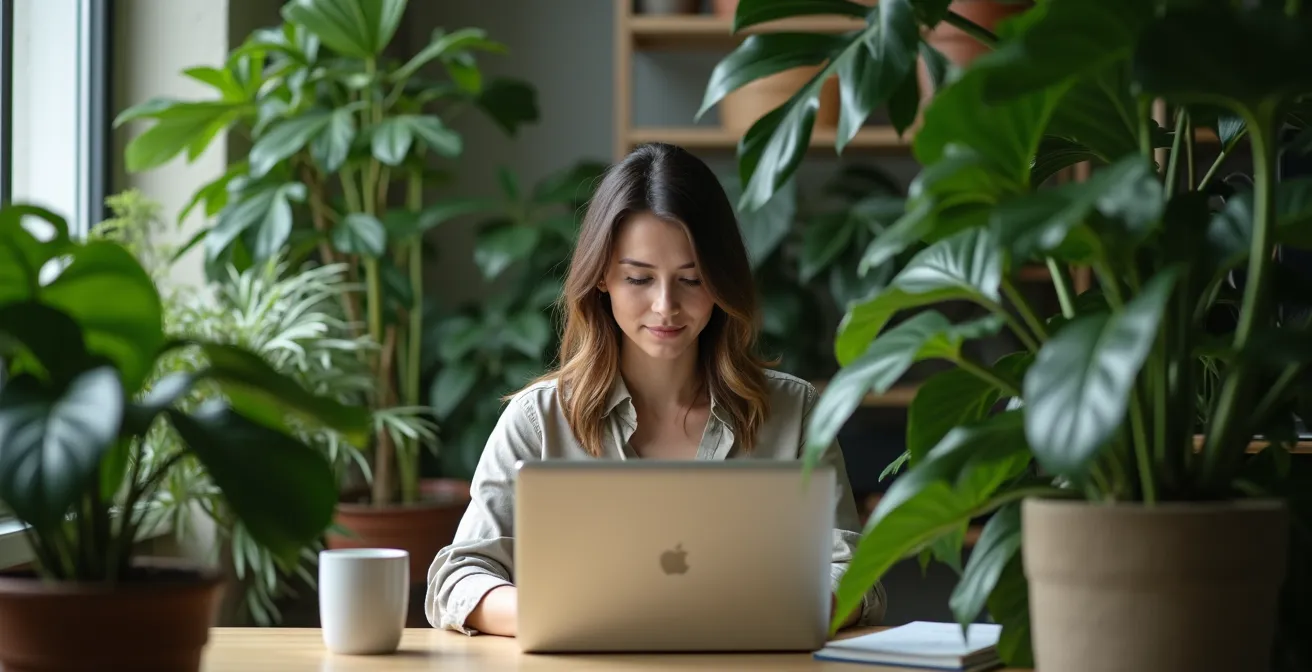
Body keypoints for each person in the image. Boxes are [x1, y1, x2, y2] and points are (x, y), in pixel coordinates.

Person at [424, 142, 887, 637]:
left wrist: (774, 612)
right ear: (602, 277)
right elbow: (457, 579)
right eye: (639, 279)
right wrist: (565, 614)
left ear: (722, 281)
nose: (665, 307)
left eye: (691, 280)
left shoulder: (791, 412)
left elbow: (858, 576)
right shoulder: (538, 421)